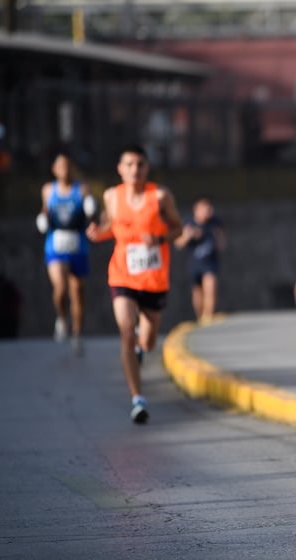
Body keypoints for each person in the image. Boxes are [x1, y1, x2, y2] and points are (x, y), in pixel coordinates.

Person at [86, 144, 183, 424]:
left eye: (139, 164)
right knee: (127, 331)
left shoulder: (160, 196)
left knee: (149, 340)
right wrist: (98, 232)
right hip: (122, 274)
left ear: (146, 167)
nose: (134, 169)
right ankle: (137, 399)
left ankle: (142, 348)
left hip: (153, 279)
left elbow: (178, 229)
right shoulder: (111, 196)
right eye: (128, 164)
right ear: (120, 168)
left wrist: (162, 239)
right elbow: (111, 228)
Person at [35, 151, 95, 355]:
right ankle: (61, 319)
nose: (65, 170)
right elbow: (45, 209)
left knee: (77, 292)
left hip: (78, 245)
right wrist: (42, 218)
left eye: (68, 166)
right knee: (60, 287)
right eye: (60, 166)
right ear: (54, 169)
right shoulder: (48, 190)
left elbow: (91, 211)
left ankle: (77, 333)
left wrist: (90, 207)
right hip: (55, 246)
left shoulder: (82, 188)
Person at [174, 198, 225, 324]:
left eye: (209, 208)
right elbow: (178, 244)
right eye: (204, 208)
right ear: (196, 210)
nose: (208, 211)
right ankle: (199, 316)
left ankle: (208, 316)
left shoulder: (215, 223)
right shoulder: (189, 223)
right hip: (195, 263)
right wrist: (188, 235)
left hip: (210, 262)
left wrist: (219, 243)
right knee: (198, 291)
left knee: (211, 286)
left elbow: (222, 240)